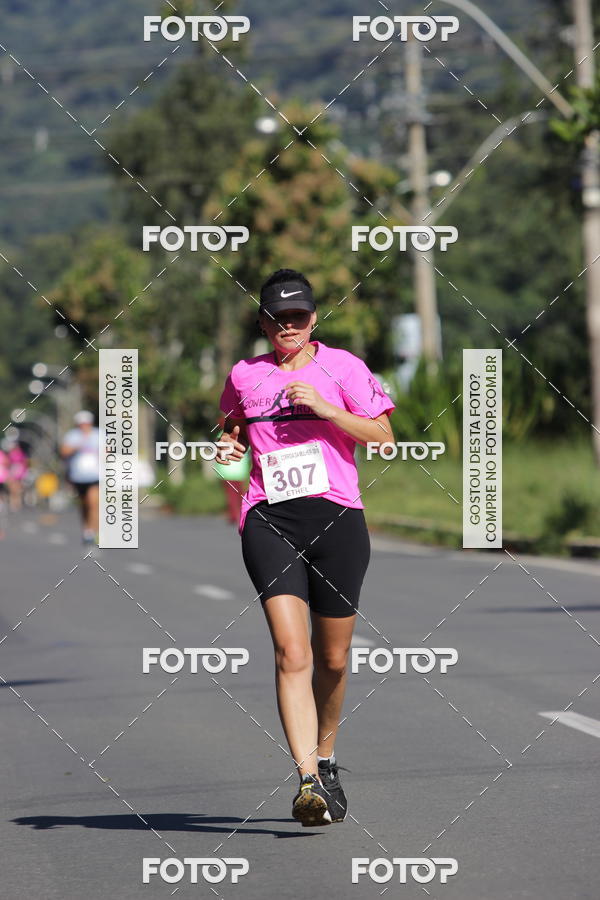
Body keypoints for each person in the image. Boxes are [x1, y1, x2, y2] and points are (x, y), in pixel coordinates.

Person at [217, 268, 395, 827]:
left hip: (337, 518)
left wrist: (328, 409)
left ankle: (328, 754)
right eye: (278, 317)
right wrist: (227, 448)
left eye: (298, 315)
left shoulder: (343, 368)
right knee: (292, 653)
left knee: (334, 658)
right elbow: (230, 431)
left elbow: (384, 438)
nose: (288, 325)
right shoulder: (244, 376)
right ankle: (308, 781)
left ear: (314, 318)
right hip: (269, 520)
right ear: (264, 322)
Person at [60, 411, 100, 546]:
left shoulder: (98, 434)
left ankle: (94, 532)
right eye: (81, 424)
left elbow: (108, 450)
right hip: (78, 476)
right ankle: (86, 530)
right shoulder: (72, 436)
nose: (84, 426)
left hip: (95, 475)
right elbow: (64, 452)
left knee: (93, 503)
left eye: (86, 423)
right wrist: (77, 446)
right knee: (84, 505)